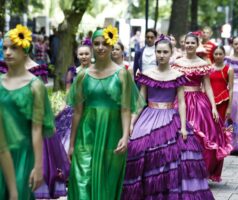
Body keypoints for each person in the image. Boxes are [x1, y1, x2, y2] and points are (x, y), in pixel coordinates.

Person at [122, 34, 214, 199]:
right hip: (149, 117)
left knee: (175, 155)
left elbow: (182, 102)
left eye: (165, 52)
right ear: (155, 53)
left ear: (171, 53)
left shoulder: (178, 76)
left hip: (171, 117)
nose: (162, 55)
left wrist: (184, 127)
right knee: (139, 150)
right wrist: (131, 123)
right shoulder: (147, 74)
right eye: (159, 52)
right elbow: (140, 102)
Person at [67, 25, 144, 200]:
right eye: (96, 43)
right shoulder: (82, 76)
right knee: (81, 180)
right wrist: (71, 144)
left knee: (107, 182)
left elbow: (126, 108)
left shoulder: (122, 74)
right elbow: (77, 112)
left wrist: (125, 136)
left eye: (104, 43)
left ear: (111, 46)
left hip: (112, 133)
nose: (100, 47)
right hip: (86, 135)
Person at [0, 24, 54, 200]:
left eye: (13, 48)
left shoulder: (35, 86)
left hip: (24, 153)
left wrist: (38, 166)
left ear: (25, 51)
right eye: (5, 48)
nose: (8, 52)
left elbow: (37, 128)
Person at [173, 33, 232, 182]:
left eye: (193, 43)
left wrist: (213, 106)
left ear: (197, 44)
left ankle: (199, 170)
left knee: (204, 137)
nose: (190, 45)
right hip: (180, 100)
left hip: (199, 102)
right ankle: (181, 170)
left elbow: (208, 86)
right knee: (178, 135)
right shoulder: (177, 62)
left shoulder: (203, 64)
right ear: (184, 44)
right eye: (187, 43)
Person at [54, 44, 93, 153]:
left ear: (91, 54)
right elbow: (68, 90)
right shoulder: (73, 71)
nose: (84, 56)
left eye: (86, 54)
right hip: (74, 108)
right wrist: (63, 106)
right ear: (77, 55)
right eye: (81, 54)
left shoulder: (96, 71)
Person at [209, 46, 234, 121]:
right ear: (213, 55)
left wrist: (229, 107)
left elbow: (231, 89)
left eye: (220, 54)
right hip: (209, 101)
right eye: (216, 54)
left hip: (223, 102)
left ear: (224, 55)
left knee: (221, 124)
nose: (218, 56)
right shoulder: (208, 69)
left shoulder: (229, 69)